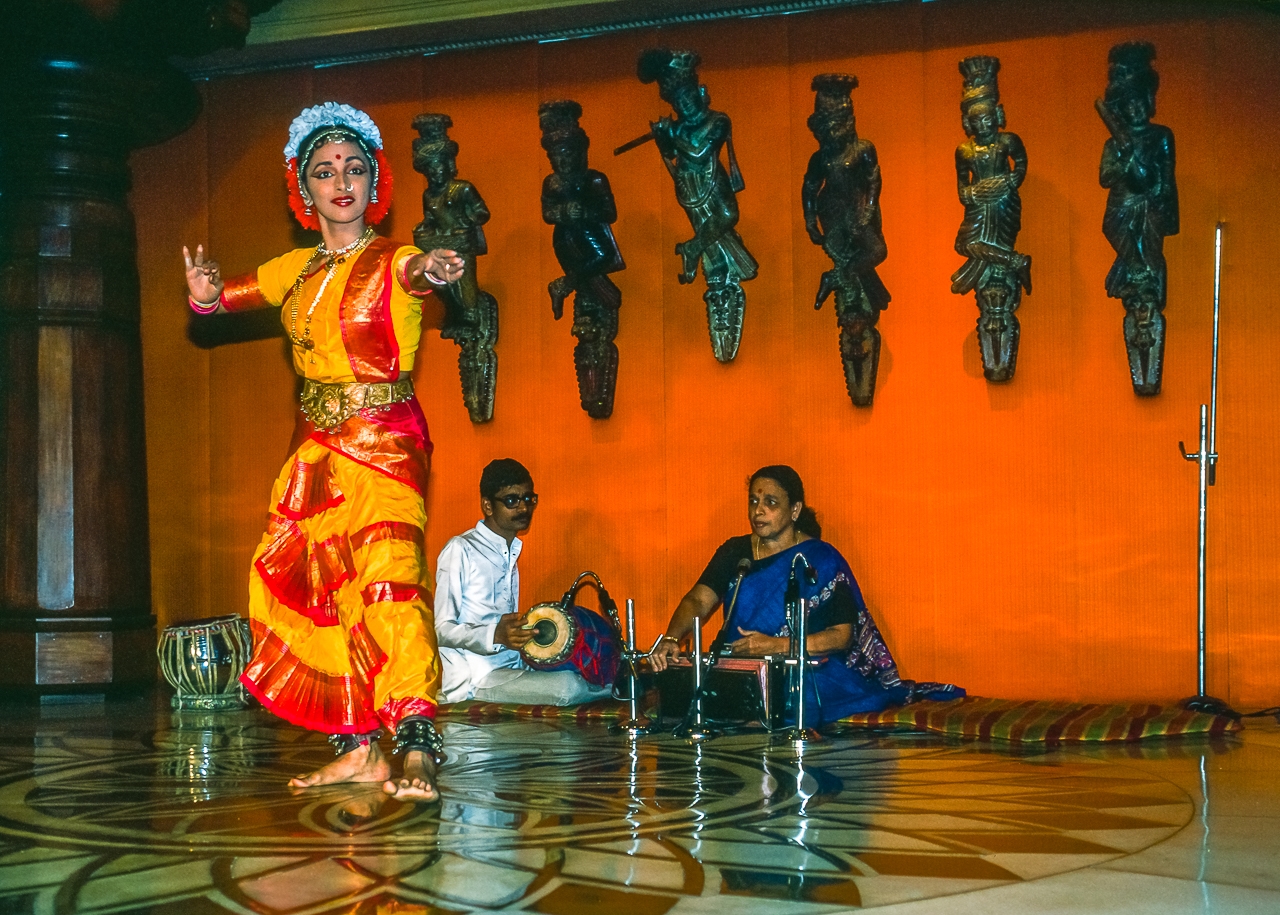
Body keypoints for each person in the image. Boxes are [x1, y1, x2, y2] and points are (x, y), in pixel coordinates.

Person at [182, 102, 466, 802]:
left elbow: (417, 275)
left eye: (354, 169)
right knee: (328, 596)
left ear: (376, 183)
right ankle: (361, 746)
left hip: (386, 446)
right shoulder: (294, 269)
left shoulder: (393, 259)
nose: (341, 181)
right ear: (303, 190)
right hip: (315, 452)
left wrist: (433, 266)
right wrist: (206, 297)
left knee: (389, 581)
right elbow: (226, 304)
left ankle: (418, 739)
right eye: (324, 172)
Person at [650, 465, 962, 726]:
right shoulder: (735, 552)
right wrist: (672, 639)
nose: (758, 510)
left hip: (806, 669)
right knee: (689, 701)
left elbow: (841, 636)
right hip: (741, 669)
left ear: (795, 509)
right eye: (753, 501)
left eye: (771, 502)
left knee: (792, 701)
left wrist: (776, 647)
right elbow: (697, 601)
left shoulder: (820, 558)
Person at [433, 459, 614, 706]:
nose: (523, 508)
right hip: (475, 680)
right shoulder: (461, 549)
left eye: (529, 499)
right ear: (487, 505)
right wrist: (494, 635)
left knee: (581, 668)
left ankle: (614, 685)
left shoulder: (510, 551)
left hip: (515, 668)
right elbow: (442, 629)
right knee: (567, 687)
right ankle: (615, 690)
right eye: (511, 500)